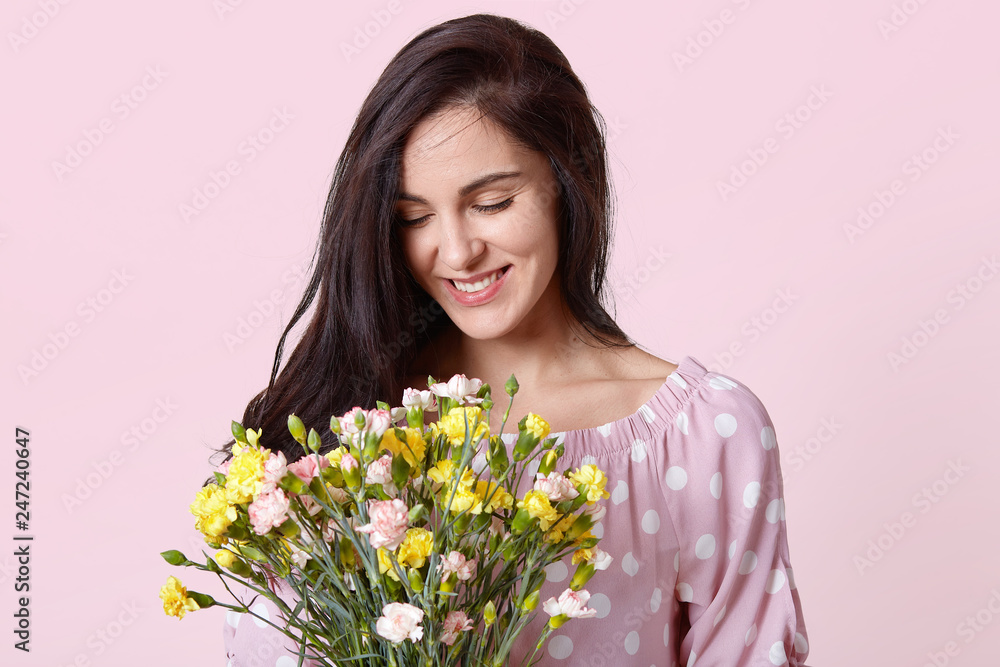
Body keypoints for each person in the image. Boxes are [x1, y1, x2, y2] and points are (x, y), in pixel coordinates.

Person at [216, 12, 812, 667]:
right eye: (414, 216)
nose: (458, 251)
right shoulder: (346, 430)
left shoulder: (704, 436)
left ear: (568, 183)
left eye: (492, 203)